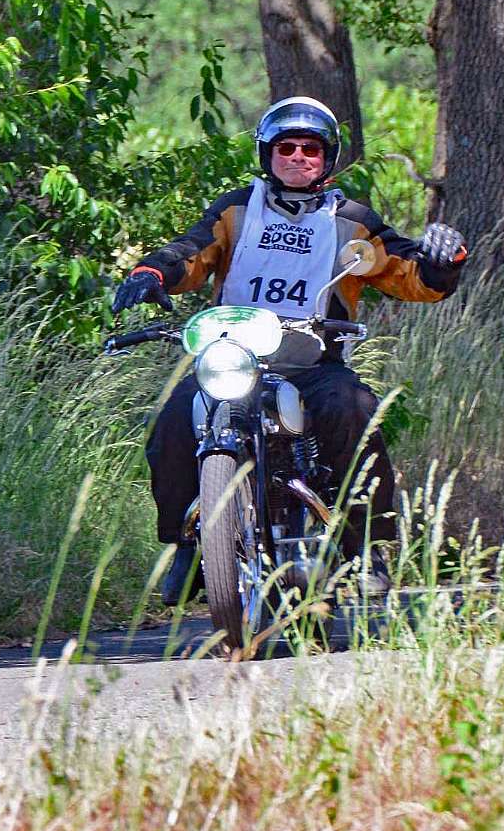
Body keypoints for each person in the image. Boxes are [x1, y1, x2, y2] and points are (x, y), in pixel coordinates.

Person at [111, 96, 467, 604]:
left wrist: (443, 260)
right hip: (233, 361)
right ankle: (187, 546)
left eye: (311, 149)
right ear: (267, 153)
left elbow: (411, 275)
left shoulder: (353, 221)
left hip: (315, 364)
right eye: (286, 147)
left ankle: (364, 547)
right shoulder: (236, 210)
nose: (298, 156)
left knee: (355, 410)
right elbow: (191, 253)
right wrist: (152, 272)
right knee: (172, 421)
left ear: (328, 157)